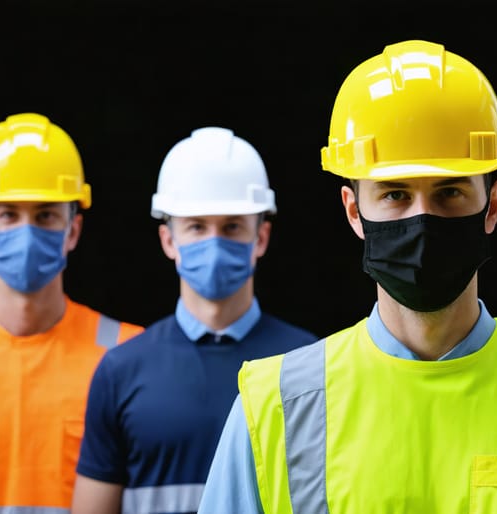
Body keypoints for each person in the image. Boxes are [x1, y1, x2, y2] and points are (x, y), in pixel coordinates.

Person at [199, 40, 497, 513]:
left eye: (449, 192)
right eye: (395, 195)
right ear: (354, 212)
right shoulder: (276, 404)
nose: (422, 219)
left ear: (492, 205)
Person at [72, 127, 318, 514]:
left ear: (261, 237)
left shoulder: (308, 364)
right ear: (169, 240)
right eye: (197, 226)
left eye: (232, 226)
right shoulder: (120, 371)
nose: (215, 242)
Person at [0, 113, 144, 512]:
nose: (26, 234)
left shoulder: (129, 355)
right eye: (7, 214)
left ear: (73, 230)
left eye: (45, 215)